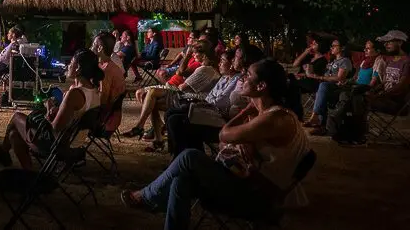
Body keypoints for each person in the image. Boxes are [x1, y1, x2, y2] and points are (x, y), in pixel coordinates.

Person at [121, 59, 311, 230]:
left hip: (259, 196)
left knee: (190, 157)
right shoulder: (269, 115)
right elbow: (225, 144)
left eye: (249, 75)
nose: (243, 77)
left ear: (261, 86)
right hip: (249, 183)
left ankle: (145, 197)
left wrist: (245, 111)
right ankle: (155, 205)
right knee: (181, 181)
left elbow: (224, 134)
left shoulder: (274, 119)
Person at [0, 49, 102, 170]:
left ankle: (3, 152)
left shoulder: (75, 94)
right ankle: (25, 171)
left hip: (58, 145)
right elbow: (72, 117)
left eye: (71, 63)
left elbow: (55, 127)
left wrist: (49, 107)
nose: (68, 65)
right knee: (13, 135)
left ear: (78, 68)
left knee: (17, 117)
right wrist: (57, 109)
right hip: (76, 143)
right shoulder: (94, 91)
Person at [166, 46, 264, 158]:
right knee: (176, 115)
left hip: (224, 119)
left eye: (236, 57)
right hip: (221, 115)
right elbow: (212, 97)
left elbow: (223, 103)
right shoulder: (236, 79)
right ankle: (184, 158)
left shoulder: (243, 81)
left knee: (178, 121)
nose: (233, 60)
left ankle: (187, 159)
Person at [122, 40, 220, 150]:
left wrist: (186, 58)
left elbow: (182, 85)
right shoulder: (204, 68)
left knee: (151, 95)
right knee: (149, 99)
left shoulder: (204, 70)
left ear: (204, 55)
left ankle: (143, 128)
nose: (193, 54)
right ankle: (156, 138)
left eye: (195, 52)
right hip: (184, 96)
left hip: (188, 100)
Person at [303, 39, 353, 134]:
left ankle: (315, 118)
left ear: (342, 48)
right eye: (331, 46)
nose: (332, 48)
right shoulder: (332, 61)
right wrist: (310, 73)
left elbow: (339, 78)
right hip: (327, 87)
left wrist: (321, 77)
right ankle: (322, 125)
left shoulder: (345, 61)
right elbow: (326, 75)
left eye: (334, 45)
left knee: (323, 86)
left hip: (338, 88)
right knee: (321, 87)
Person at [367, 30, 410, 115]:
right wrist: (373, 90)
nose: (385, 45)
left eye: (389, 42)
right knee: (356, 97)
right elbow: (385, 81)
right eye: (385, 42)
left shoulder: (407, 62)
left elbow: (401, 85)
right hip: (385, 98)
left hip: (398, 103)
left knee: (360, 102)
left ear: (400, 42)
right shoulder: (391, 60)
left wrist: (381, 95)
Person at [92, 32, 126, 132]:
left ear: (100, 48)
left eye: (94, 44)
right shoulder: (104, 65)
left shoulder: (107, 70)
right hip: (110, 117)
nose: (91, 47)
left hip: (105, 121)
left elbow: (103, 99)